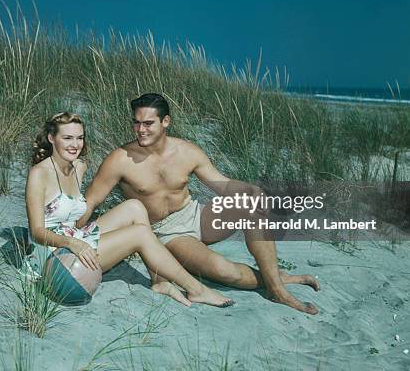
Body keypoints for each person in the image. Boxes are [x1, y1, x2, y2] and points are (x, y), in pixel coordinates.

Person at [78, 94, 320, 315]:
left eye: (148, 123)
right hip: (167, 233)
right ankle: (276, 278)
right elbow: (91, 201)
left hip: (195, 215)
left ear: (165, 122)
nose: (140, 130)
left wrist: (252, 191)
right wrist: (68, 235)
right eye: (137, 123)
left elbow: (222, 185)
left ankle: (276, 289)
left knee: (251, 206)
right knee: (225, 272)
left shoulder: (187, 151)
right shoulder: (121, 159)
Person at [23, 111, 234, 308]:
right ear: (52, 138)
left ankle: (159, 280)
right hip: (55, 257)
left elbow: (76, 214)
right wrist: (73, 243)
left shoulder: (79, 167)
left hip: (73, 237)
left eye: (80, 138)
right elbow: (37, 232)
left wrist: (81, 236)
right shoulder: (39, 174)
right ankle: (196, 289)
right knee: (140, 234)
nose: (75, 144)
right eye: (67, 138)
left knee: (134, 207)